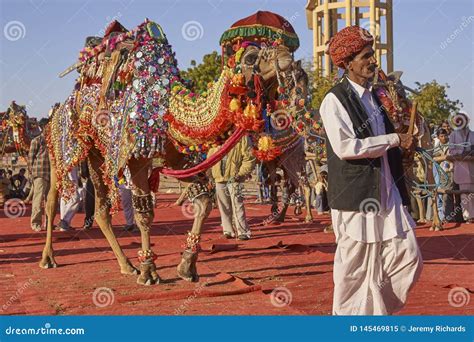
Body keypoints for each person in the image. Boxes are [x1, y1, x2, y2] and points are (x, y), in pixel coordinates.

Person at [320, 25, 423, 315]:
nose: (373, 61)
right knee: (353, 272)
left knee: (408, 257)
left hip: (386, 193)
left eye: (373, 55)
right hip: (355, 198)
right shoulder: (334, 100)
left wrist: (401, 147)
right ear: (347, 63)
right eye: (366, 56)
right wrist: (393, 139)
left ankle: (376, 315)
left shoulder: (375, 99)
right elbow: (346, 147)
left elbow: (383, 147)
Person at [209, 136, 255, 240]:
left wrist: (241, 174)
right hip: (219, 177)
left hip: (235, 178)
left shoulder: (241, 137)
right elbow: (210, 156)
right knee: (223, 205)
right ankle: (228, 230)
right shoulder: (216, 136)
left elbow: (249, 158)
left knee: (237, 203)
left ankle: (243, 231)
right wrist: (210, 173)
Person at [448, 111, 474, 223]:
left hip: (471, 167)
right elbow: (451, 150)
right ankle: (468, 217)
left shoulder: (472, 134)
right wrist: (461, 152)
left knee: (472, 194)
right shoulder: (453, 135)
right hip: (461, 169)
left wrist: (469, 153)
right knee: (464, 195)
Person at [27, 118, 50, 232]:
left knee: (50, 200)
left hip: (51, 174)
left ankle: (48, 223)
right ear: (43, 127)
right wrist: (32, 175)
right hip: (40, 174)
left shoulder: (53, 141)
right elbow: (30, 159)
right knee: (38, 199)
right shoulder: (36, 141)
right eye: (48, 126)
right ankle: (35, 223)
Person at [58, 167, 81, 231]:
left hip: (65, 175)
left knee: (65, 198)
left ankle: (64, 224)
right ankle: (65, 221)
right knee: (76, 199)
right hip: (70, 177)